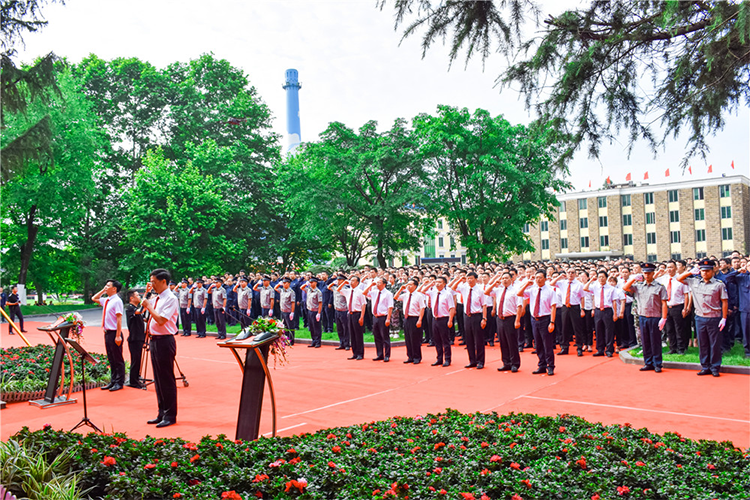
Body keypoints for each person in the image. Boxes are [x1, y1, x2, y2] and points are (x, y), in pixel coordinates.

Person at [677, 259, 728, 377]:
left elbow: (724, 302)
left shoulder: (719, 284)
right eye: (702, 271)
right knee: (703, 343)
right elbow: (679, 278)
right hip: (700, 318)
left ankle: (715, 367)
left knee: (714, 344)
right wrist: (690, 272)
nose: (705, 273)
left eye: (707, 271)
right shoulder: (694, 282)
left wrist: (724, 318)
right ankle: (705, 366)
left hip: (714, 317)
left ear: (713, 271)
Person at [141, 268, 179, 427]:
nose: (152, 285)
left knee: (166, 379)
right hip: (154, 340)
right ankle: (161, 412)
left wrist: (149, 306)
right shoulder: (156, 298)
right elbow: (148, 318)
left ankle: (170, 415)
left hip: (165, 341)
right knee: (158, 378)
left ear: (164, 281)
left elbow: (161, 320)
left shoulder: (170, 298)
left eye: (155, 282)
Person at [623, 263, 668, 373]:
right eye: (645, 273)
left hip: (655, 317)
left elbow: (664, 303)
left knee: (655, 342)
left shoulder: (659, 287)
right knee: (645, 341)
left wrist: (664, 318)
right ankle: (648, 362)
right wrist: (633, 279)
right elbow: (625, 288)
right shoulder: (638, 286)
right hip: (642, 317)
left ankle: (657, 363)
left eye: (649, 273)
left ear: (653, 273)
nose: (647, 275)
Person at [517, 270, 559, 375]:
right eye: (536, 277)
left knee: (547, 344)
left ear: (545, 279)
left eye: (540, 277)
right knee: (538, 344)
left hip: (545, 319)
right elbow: (519, 293)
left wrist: (552, 322)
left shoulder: (550, 291)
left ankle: (550, 366)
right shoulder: (532, 290)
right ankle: (542, 365)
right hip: (534, 319)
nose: (538, 279)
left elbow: (553, 307)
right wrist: (527, 283)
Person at [92, 280, 126, 391]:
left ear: (114, 288)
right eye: (105, 285)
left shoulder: (117, 301)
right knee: (111, 358)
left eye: (108, 286)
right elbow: (94, 298)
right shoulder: (107, 300)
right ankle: (113, 381)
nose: (105, 287)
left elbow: (119, 318)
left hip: (114, 333)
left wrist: (118, 335)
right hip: (107, 333)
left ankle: (119, 382)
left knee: (117, 359)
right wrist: (103, 290)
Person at [486, 271, 521, 372]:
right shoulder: (498, 290)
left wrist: (517, 320)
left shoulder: (515, 290)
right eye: (503, 278)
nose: (504, 280)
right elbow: (486, 292)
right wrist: (494, 282)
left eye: (506, 278)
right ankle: (506, 362)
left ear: (511, 279)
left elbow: (519, 306)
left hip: (511, 318)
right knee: (503, 341)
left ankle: (515, 363)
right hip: (500, 318)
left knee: (512, 342)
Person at [454, 272, 488, 369]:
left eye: (471, 278)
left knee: (479, 340)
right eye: (468, 278)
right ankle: (472, 360)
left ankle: (480, 361)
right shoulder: (464, 288)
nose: (469, 280)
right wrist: (460, 279)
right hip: (467, 316)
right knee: (469, 339)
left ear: (476, 279)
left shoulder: (480, 290)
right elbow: (452, 287)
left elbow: (484, 305)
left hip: (477, 315)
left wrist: (484, 318)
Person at [550, 268, 586, 356]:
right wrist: (559, 277)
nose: (570, 274)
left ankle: (579, 347)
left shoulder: (579, 284)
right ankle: (564, 347)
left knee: (577, 328)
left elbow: (582, 297)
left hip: (575, 307)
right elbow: (551, 283)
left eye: (572, 273)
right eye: (569, 272)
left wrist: (582, 309)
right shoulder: (562, 283)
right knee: (564, 328)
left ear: (575, 274)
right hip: (565, 307)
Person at [657, 261, 692, 354]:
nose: (669, 269)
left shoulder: (680, 279)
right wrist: (658, 273)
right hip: (667, 307)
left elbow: (686, 294)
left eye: (671, 267)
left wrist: (685, 308)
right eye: (667, 267)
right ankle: (672, 348)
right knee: (669, 329)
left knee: (679, 328)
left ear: (676, 268)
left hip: (678, 306)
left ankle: (681, 348)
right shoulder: (663, 279)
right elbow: (652, 279)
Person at [584, 270, 619, 358]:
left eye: (603, 277)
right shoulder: (595, 287)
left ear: (606, 278)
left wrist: (615, 314)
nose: (601, 279)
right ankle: (600, 350)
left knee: (609, 331)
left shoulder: (611, 288)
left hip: (607, 310)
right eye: (599, 277)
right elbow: (585, 288)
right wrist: (591, 279)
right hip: (598, 310)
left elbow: (614, 301)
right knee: (598, 330)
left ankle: (609, 350)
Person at [423, 276, 456, 367]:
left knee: (445, 340)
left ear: (444, 284)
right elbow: (421, 290)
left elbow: (452, 308)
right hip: (435, 319)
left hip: (444, 319)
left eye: (439, 282)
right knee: (436, 340)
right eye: (436, 282)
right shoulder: (433, 292)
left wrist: (450, 320)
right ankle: (439, 358)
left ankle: (447, 359)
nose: (437, 284)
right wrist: (430, 283)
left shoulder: (447, 294)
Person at [394, 278, 425, 364]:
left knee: (415, 338)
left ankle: (417, 357)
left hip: (415, 318)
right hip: (407, 318)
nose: (408, 286)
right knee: (408, 338)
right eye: (408, 284)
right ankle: (410, 356)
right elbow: (396, 297)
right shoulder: (406, 295)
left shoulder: (419, 296)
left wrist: (420, 320)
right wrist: (401, 289)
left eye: (411, 284)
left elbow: (422, 308)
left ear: (415, 286)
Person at [339, 276, 367, 360]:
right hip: (350, 314)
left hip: (357, 313)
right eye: (351, 281)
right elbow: (338, 290)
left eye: (353, 281)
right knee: (352, 334)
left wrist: (362, 317)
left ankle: (360, 353)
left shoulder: (360, 292)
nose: (351, 282)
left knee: (358, 334)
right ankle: (354, 353)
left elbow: (363, 304)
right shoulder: (348, 291)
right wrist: (344, 282)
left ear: (357, 282)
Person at [125, 290, 146, 388]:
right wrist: (146, 303)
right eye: (137, 295)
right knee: (135, 360)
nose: (139, 297)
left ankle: (136, 377)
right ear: (131, 298)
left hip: (139, 337)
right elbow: (139, 312)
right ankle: (133, 381)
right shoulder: (130, 308)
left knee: (138, 359)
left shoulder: (135, 308)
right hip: (134, 338)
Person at [328, 275, 350, 351]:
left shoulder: (346, 289)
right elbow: (328, 287)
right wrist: (333, 282)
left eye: (340, 280)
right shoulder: (335, 288)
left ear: (343, 280)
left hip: (344, 310)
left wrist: (344, 283)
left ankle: (347, 344)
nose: (338, 281)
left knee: (345, 328)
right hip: (337, 310)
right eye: (337, 280)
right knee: (339, 328)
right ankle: (342, 343)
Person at [302, 277, 323, 348]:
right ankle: (313, 341)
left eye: (312, 282)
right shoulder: (309, 290)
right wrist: (306, 284)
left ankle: (318, 342)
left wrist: (319, 313)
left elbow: (320, 303)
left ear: (316, 283)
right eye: (310, 282)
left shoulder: (318, 292)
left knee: (317, 327)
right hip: (309, 310)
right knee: (311, 327)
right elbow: (301, 287)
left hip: (315, 311)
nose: (310, 284)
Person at [276, 277, 297, 345]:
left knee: (290, 327)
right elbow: (275, 288)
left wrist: (292, 312)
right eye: (283, 283)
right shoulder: (282, 290)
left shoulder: (291, 292)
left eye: (285, 283)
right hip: (282, 311)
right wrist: (279, 284)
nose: (284, 284)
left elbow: (293, 302)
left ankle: (291, 340)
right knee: (284, 327)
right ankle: (286, 339)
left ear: (289, 284)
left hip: (288, 311)